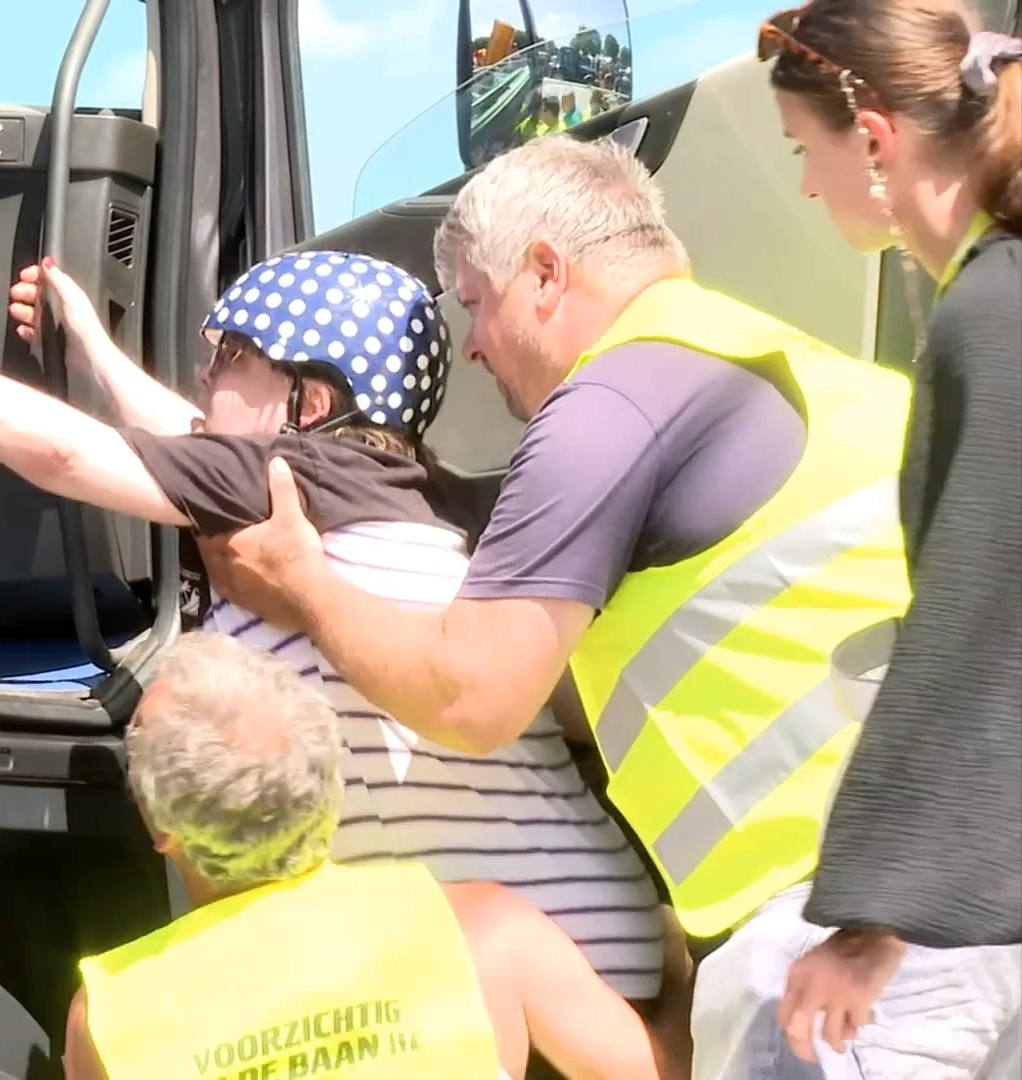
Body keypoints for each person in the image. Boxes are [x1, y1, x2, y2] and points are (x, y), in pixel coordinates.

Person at [183, 134, 991, 1079]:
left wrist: (305, 584)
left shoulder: (610, 406)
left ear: (545, 273)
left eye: (478, 305)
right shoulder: (829, 377)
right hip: (968, 895)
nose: (474, 343)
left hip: (844, 940)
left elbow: (472, 698)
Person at [0, 252, 671, 1013]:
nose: (206, 376)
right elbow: (190, 438)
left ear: (309, 406)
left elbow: (61, 451)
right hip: (598, 939)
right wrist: (92, 347)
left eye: (234, 357)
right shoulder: (433, 495)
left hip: (488, 972)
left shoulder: (281, 482)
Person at [759, 0, 1022, 1068]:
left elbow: (986, 622)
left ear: (873, 142)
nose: (806, 186)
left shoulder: (990, 315)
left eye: (801, 152)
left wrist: (875, 923)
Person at [63, 630, 683, 1080]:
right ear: (328, 783)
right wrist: (680, 964)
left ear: (159, 826)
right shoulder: (485, 933)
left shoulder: (109, 1013)